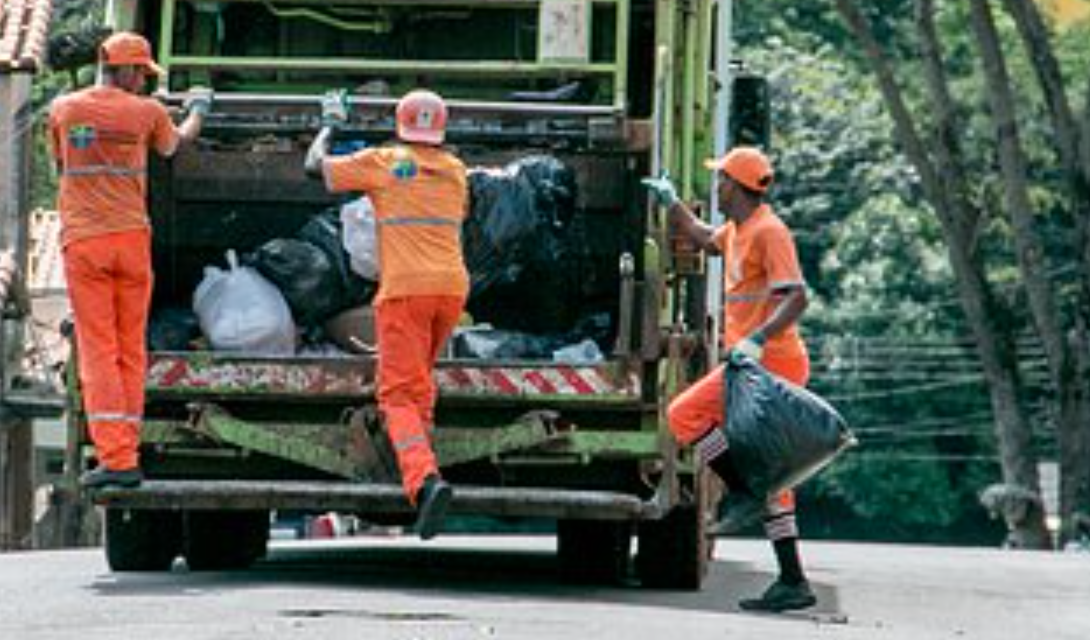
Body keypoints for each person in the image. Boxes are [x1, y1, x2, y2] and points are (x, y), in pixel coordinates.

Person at [643, 147, 816, 612]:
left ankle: (742, 493)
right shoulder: (739, 230)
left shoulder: (770, 231)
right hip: (753, 364)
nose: (715, 187)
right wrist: (671, 202)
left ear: (737, 187)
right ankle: (792, 580)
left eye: (720, 181)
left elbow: (797, 297)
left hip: (770, 364)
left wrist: (757, 339)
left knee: (684, 414)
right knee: (775, 479)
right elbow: (701, 237)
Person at [48, 32, 210, 489]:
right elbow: (177, 146)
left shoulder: (65, 109)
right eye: (139, 71)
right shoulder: (149, 112)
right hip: (131, 242)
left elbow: (62, 163)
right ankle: (126, 447)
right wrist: (199, 108)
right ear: (119, 68)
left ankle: (118, 459)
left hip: (85, 243)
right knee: (129, 350)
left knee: (100, 352)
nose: (142, 79)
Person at [305, 89, 465, 540]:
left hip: (405, 292)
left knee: (396, 394)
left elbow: (314, 167)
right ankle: (420, 461)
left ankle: (423, 481)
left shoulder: (386, 161)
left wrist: (330, 124)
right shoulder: (455, 171)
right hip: (451, 289)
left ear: (400, 124)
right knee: (420, 384)